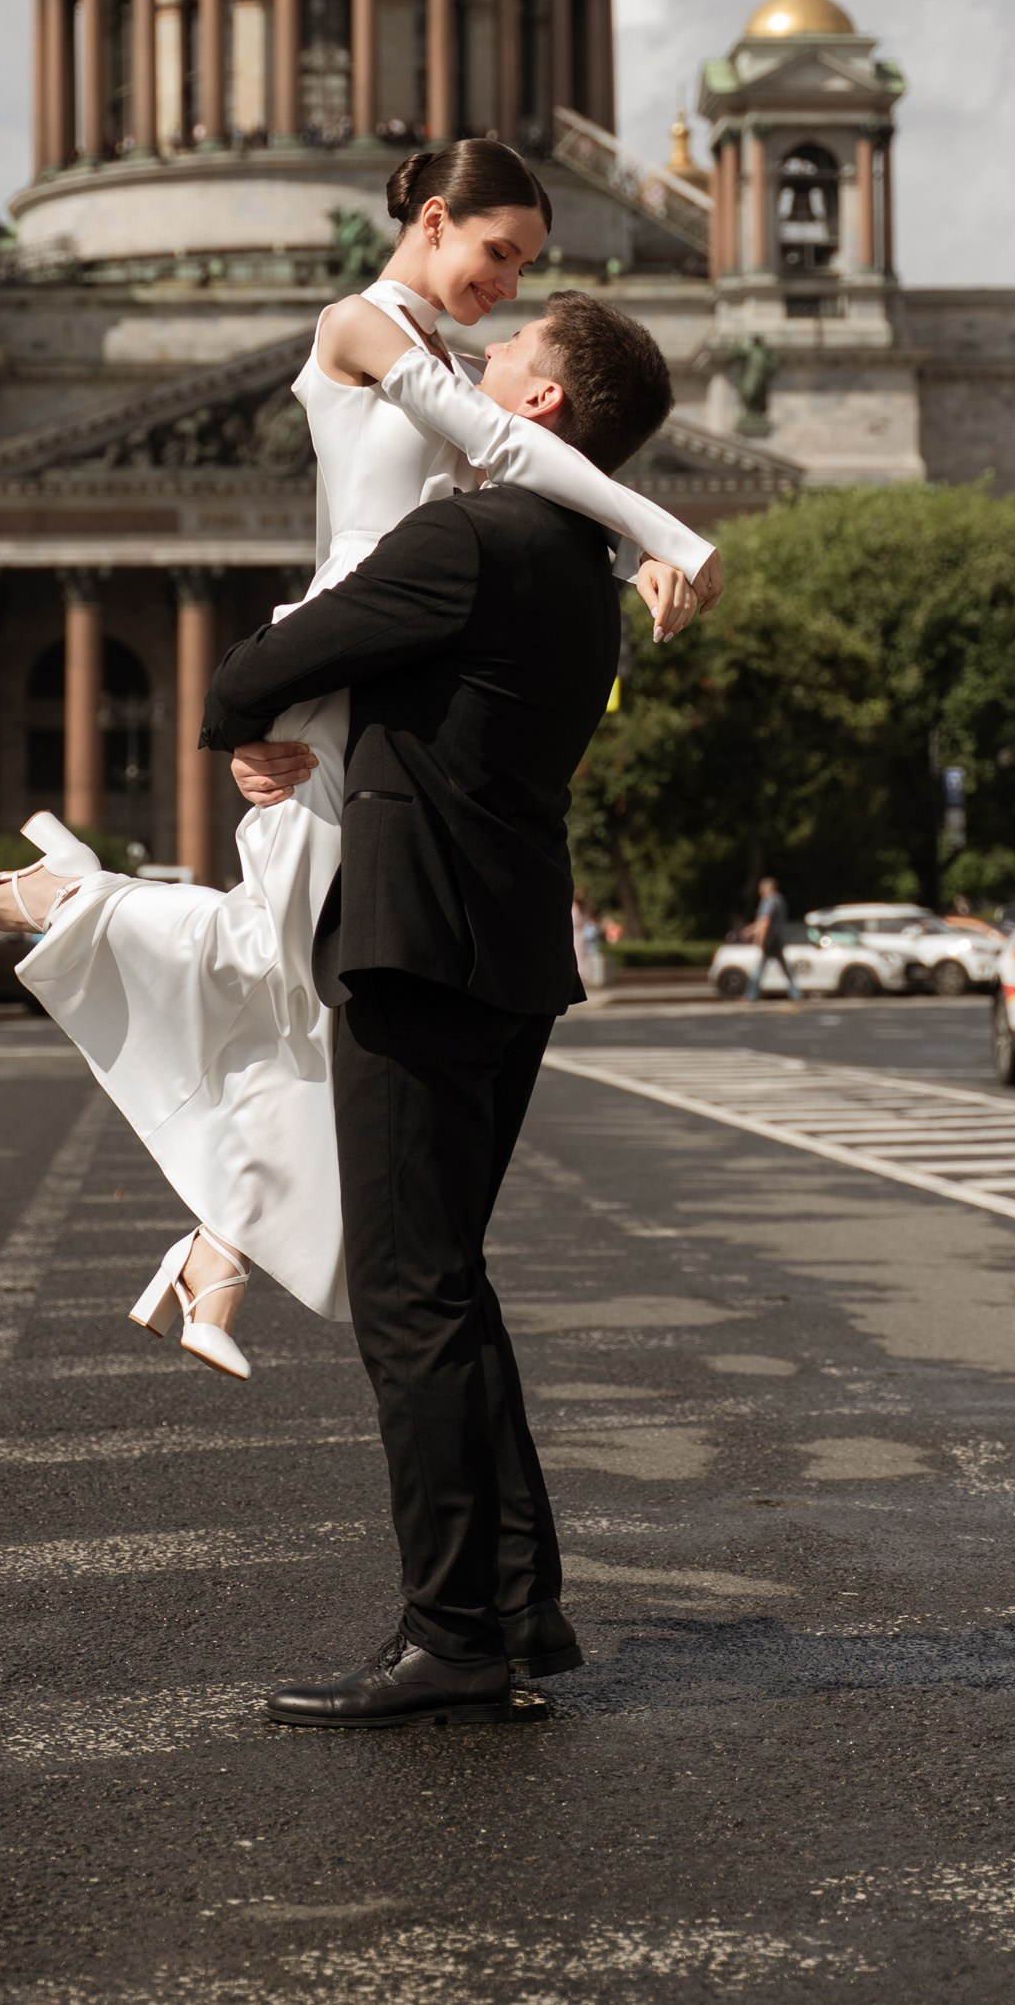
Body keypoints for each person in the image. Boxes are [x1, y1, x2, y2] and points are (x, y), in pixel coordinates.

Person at [0, 140, 721, 1376]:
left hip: (396, 665)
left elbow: (524, 470)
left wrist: (622, 556)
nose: (509, 285)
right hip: (343, 652)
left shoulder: (462, 358)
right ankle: (51, 895)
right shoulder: (364, 325)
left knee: (323, 986)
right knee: (286, 956)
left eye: (527, 265)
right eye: (497, 252)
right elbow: (514, 452)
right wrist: (665, 532)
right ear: (432, 217)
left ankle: (214, 1245)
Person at [200, 287, 671, 1723]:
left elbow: (259, 670)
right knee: (450, 1276)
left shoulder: (466, 538)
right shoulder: (581, 569)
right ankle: (522, 1601)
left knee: (409, 1297)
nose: (481, 351)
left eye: (513, 349)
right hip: (512, 954)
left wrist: (256, 731)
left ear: (537, 406)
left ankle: (454, 1631)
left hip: (413, 948)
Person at [749, 874, 796, 1000]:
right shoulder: (780, 900)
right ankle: (795, 993)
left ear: (767, 888)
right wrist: (749, 930)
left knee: (760, 968)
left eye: (761, 889)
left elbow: (765, 922)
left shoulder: (768, 901)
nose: (760, 892)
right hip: (779, 938)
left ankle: (751, 994)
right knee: (785, 968)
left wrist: (759, 939)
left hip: (770, 939)